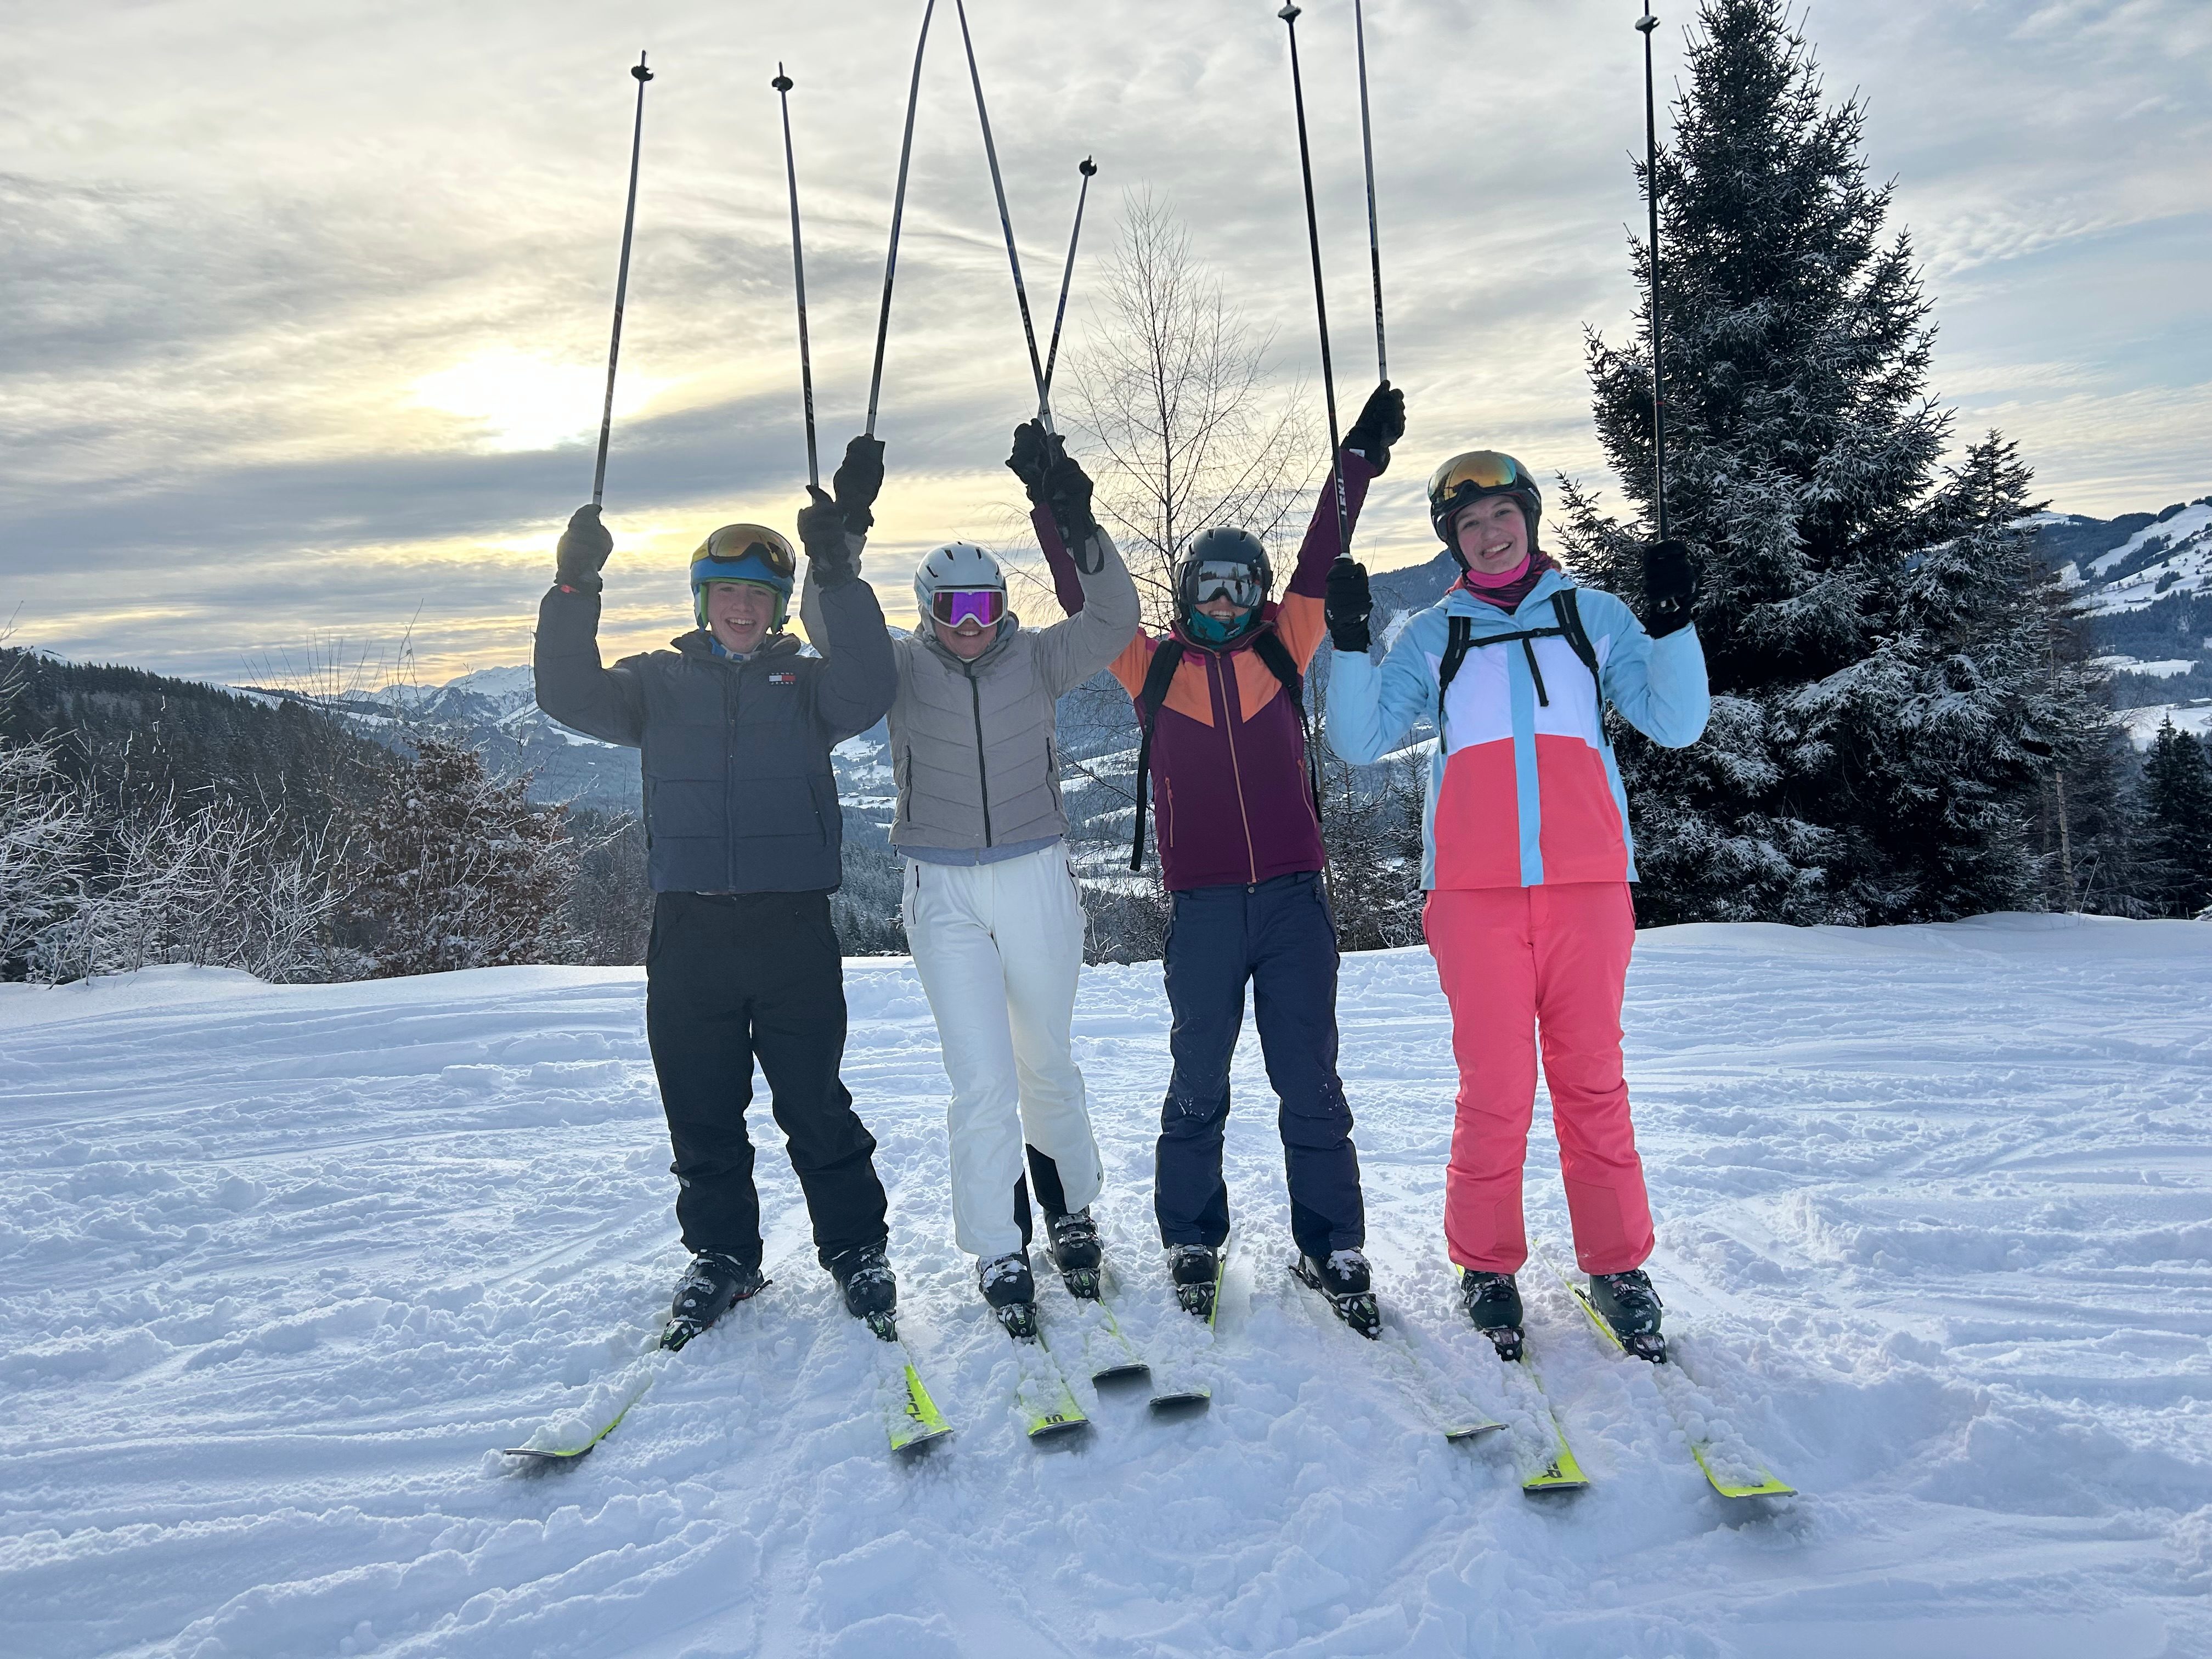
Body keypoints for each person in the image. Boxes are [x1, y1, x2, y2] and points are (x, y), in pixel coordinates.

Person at [1322, 451, 1708, 1362]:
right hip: (1474, 895)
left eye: (1502, 516)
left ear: (1528, 519)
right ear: (1452, 541)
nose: (1489, 534)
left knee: (1593, 1083)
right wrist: (1349, 641)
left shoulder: (1590, 616)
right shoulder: (1435, 635)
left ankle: (1619, 1265)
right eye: (1469, 524)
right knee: (1495, 1090)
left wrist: (1675, 624)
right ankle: (1486, 1265)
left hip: (1588, 886)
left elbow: (1676, 721)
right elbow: (1359, 740)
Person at [1035, 385, 1406, 1335]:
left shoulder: (1284, 647)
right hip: (1203, 910)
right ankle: (1192, 1238)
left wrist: (1355, 464)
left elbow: (1322, 558)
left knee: (1309, 1083)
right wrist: (1057, 506)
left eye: (1241, 587)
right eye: (1208, 586)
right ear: (1184, 593)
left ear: (1259, 592)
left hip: (1293, 904)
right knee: (1198, 1081)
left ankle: (1332, 1244)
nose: (1224, 602)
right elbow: (1086, 599)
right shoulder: (1151, 666)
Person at [533, 438, 905, 1350]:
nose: (743, 608)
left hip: (792, 927)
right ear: (703, 601)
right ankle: (724, 1254)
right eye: (727, 592)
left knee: (813, 1102)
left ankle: (855, 1248)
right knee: (699, 1106)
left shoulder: (807, 686)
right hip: (689, 929)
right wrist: (574, 586)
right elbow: (565, 691)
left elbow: (871, 684)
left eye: (760, 596)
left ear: (778, 609)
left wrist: (838, 572)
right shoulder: (655, 684)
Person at [799, 421, 1139, 1336]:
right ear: (927, 609)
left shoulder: (1038, 659)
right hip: (942, 891)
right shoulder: (900, 669)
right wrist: (842, 537)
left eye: (985, 604)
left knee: (1045, 1060)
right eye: (953, 607)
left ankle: (1070, 1209)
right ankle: (998, 1244)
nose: (971, 622)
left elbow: (1115, 621)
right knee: (983, 1078)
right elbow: (828, 627)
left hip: (1035, 876)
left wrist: (1077, 526)